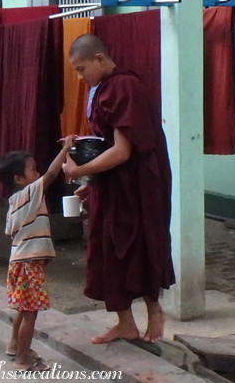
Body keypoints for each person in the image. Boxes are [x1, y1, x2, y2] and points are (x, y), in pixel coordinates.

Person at [62, 34, 175, 344]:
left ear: (100, 59)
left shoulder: (124, 87)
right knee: (107, 249)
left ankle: (155, 310)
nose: (80, 77)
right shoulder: (103, 89)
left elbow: (123, 151)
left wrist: (78, 171)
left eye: (81, 68)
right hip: (113, 184)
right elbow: (105, 143)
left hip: (138, 187)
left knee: (140, 242)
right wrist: (91, 181)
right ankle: (125, 323)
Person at [0, 135, 75, 372]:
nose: (38, 173)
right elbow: (51, 174)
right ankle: (23, 360)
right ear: (19, 179)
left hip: (20, 262)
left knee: (24, 308)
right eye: (32, 170)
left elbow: (10, 232)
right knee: (30, 313)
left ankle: (14, 346)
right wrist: (66, 149)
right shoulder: (30, 193)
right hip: (28, 265)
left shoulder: (14, 202)